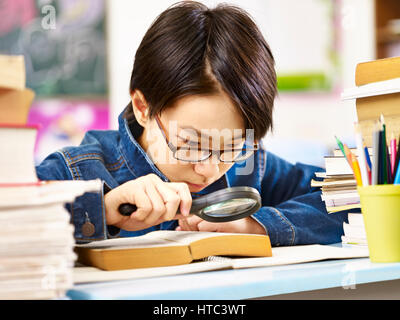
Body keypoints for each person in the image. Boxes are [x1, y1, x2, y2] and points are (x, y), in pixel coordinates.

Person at [36, 1, 348, 245]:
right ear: (143, 107)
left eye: (231, 147)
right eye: (192, 145)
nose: (210, 170)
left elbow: (356, 197)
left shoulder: (250, 167)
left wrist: (257, 225)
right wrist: (102, 210)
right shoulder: (79, 171)